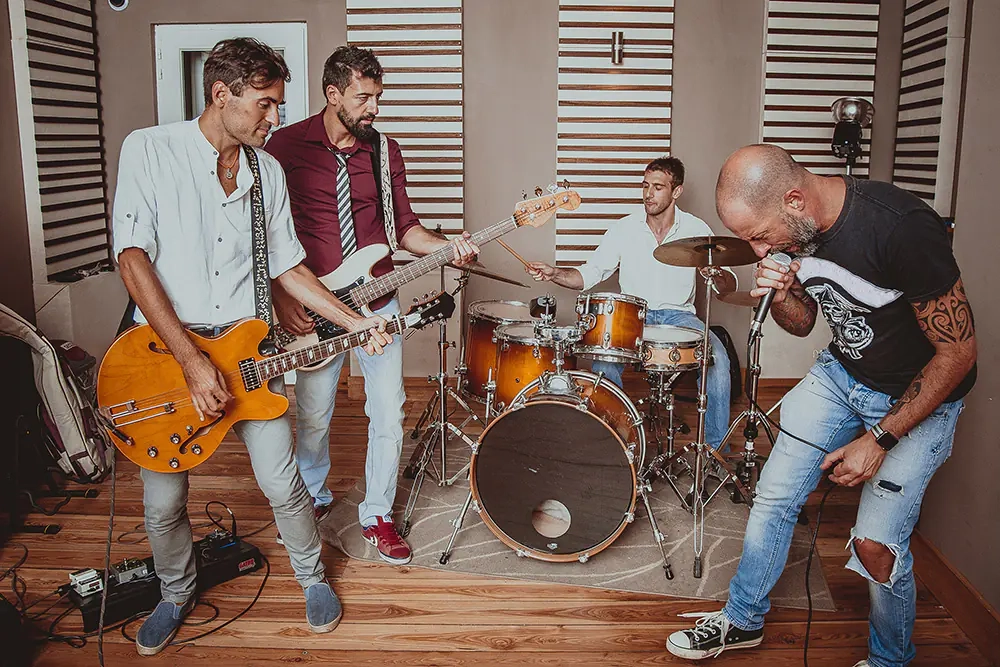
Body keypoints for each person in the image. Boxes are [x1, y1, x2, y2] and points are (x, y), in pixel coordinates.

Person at [112, 39, 393, 655]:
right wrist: (189, 360)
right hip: (165, 354)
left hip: (247, 352)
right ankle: (174, 591)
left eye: (279, 105)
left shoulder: (266, 171)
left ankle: (312, 579)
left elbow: (290, 266)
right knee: (163, 502)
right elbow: (132, 259)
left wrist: (351, 321)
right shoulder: (150, 150)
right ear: (222, 94)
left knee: (284, 483)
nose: (274, 118)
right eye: (265, 104)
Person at [666, 144, 977, 667]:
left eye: (760, 237)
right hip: (842, 375)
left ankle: (889, 661)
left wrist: (879, 438)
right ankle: (742, 620)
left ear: (794, 200)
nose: (759, 251)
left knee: (875, 546)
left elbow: (959, 352)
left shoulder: (900, 227)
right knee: (773, 496)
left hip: (916, 395)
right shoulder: (792, 234)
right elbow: (804, 322)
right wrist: (785, 289)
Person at [264, 46, 478, 565]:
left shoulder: (384, 151)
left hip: (378, 299)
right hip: (313, 305)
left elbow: (404, 227)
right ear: (333, 94)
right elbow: (264, 234)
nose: (373, 108)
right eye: (364, 97)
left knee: (389, 409)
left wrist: (451, 247)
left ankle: (377, 512)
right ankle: (312, 497)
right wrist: (278, 296)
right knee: (314, 414)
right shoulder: (282, 147)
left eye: (378, 97)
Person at [525, 156, 735, 450]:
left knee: (719, 360)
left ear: (676, 192)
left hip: (680, 318)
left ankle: (715, 450)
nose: (648, 194)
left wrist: (718, 274)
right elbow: (589, 274)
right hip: (634, 317)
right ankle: (618, 444)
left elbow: (726, 287)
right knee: (602, 364)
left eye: (658, 187)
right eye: (645, 185)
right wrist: (554, 273)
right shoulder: (624, 229)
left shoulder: (697, 229)